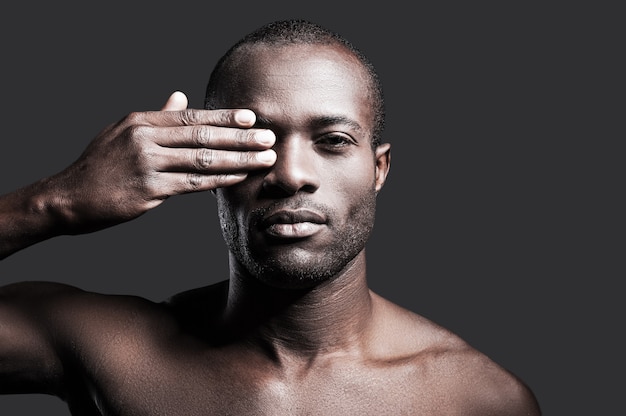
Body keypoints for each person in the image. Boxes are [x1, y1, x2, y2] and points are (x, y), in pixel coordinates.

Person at [0, 19, 541, 415]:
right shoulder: (110, 350)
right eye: (256, 143)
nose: (290, 174)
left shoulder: (476, 400)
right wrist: (54, 202)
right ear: (207, 159)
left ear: (379, 169)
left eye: (332, 141)